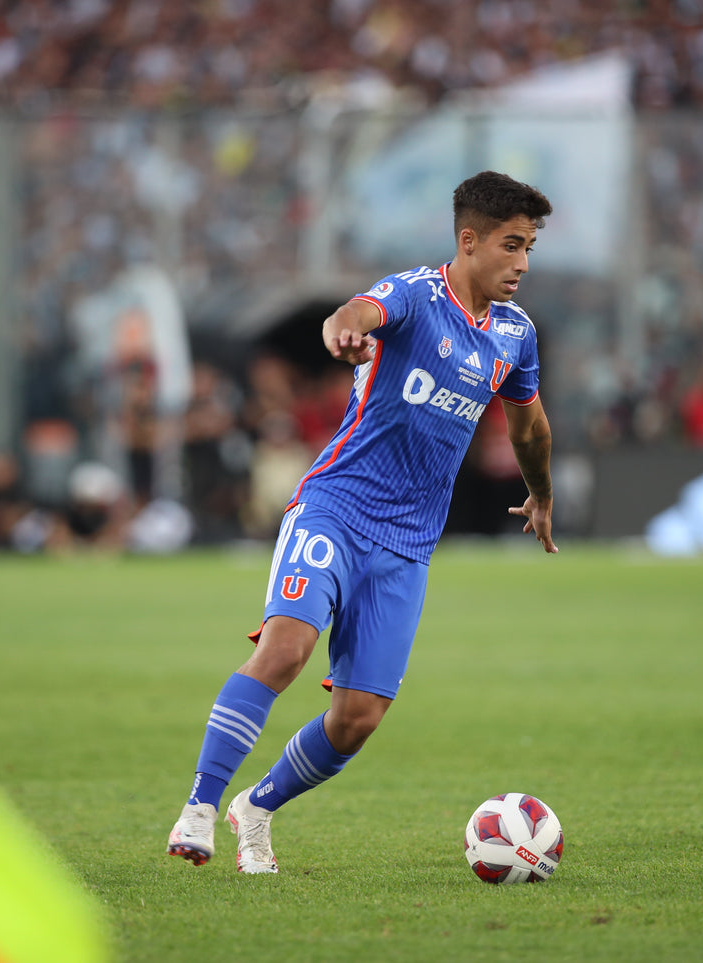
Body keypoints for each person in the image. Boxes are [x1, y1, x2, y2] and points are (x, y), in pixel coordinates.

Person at [167, 170, 558, 874]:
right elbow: (352, 313)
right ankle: (198, 806)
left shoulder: (513, 335)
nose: (522, 263)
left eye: (528, 246)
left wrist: (540, 493)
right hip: (336, 507)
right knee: (285, 649)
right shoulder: (413, 294)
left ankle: (255, 806)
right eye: (510, 245)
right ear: (468, 241)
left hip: (407, 545)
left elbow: (528, 426)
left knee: (357, 721)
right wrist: (344, 330)